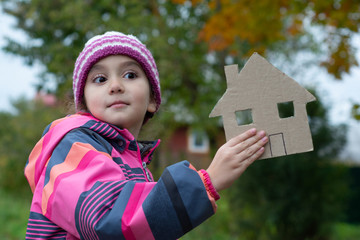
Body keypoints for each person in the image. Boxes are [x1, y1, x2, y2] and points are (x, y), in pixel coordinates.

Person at [24, 31, 268, 240]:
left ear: (152, 100)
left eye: (130, 75)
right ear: (85, 103)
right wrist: (206, 181)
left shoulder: (131, 160)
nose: (115, 85)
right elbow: (109, 221)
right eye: (100, 79)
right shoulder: (74, 148)